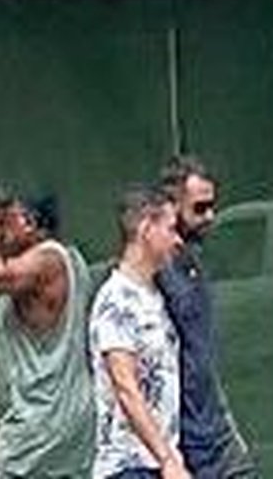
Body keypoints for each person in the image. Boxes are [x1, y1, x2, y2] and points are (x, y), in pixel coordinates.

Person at [0, 186, 90, 479]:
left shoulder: (47, 260)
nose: (2, 232)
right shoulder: (68, 260)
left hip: (38, 418)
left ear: (28, 223)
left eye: (6, 222)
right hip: (65, 418)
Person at [89, 180, 185, 479]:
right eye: (170, 229)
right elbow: (125, 386)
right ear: (146, 229)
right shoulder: (116, 301)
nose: (177, 240)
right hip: (128, 466)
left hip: (155, 462)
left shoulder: (154, 296)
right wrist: (166, 458)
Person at [158, 157, 246, 479]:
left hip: (215, 434)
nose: (210, 217)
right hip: (177, 438)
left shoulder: (193, 263)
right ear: (171, 208)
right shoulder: (153, 276)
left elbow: (202, 353)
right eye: (199, 208)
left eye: (212, 207)